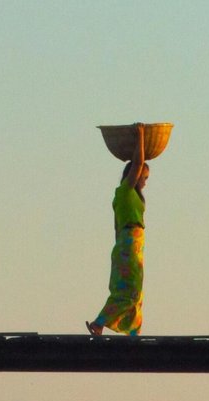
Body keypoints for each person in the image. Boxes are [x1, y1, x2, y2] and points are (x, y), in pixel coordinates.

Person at [86, 123, 150, 337]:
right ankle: (100, 322)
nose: (144, 182)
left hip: (132, 246)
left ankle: (134, 332)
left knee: (136, 293)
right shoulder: (124, 191)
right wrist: (140, 136)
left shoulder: (129, 197)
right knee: (128, 291)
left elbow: (115, 228)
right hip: (128, 246)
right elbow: (138, 163)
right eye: (144, 177)